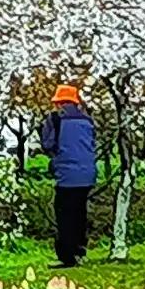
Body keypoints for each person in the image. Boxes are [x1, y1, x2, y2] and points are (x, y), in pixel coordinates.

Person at [39, 84, 98, 267]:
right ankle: (80, 250)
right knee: (80, 212)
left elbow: (48, 144)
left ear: (59, 103)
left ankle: (67, 256)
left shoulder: (55, 119)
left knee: (64, 214)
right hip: (88, 174)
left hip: (67, 175)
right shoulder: (87, 120)